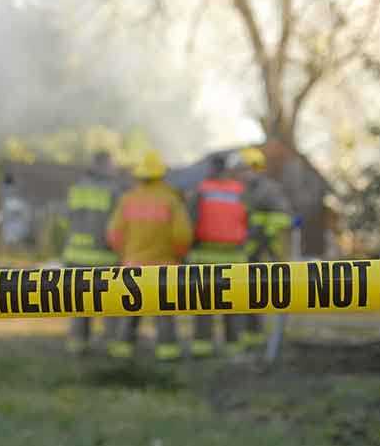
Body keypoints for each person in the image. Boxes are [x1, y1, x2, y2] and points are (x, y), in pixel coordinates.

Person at [105, 149, 193, 362]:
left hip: (132, 265)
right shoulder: (172, 200)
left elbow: (114, 234)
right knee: (164, 314)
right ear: (161, 175)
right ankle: (167, 355)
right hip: (164, 267)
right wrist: (178, 257)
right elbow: (182, 236)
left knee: (129, 312)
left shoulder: (128, 200)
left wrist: (125, 255)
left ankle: (123, 356)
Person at [186, 152, 250, 358]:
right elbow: (249, 220)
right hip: (234, 257)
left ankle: (202, 348)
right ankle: (233, 348)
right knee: (232, 306)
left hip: (204, 256)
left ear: (211, 169)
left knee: (204, 305)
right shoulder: (240, 191)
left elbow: (190, 220)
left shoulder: (200, 191)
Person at [60, 151, 124, 355]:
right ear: (103, 166)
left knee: (80, 305)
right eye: (112, 164)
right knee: (111, 305)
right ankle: (113, 348)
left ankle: (78, 346)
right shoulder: (114, 192)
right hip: (104, 257)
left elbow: (64, 220)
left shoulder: (76, 189)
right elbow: (120, 227)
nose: (115, 168)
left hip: (76, 256)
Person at [236, 146, 293, 350]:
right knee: (246, 293)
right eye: (240, 169)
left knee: (263, 292)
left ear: (257, 168)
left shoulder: (269, 190)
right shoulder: (242, 191)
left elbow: (284, 218)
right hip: (248, 249)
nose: (242, 173)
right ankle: (251, 338)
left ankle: (264, 340)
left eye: (246, 169)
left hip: (268, 248)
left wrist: (264, 227)